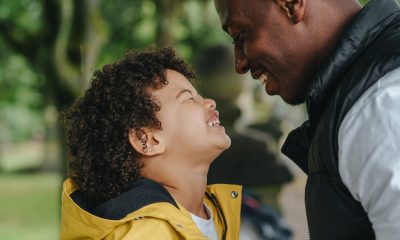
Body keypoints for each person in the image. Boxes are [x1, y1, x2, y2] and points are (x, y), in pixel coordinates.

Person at [213, 0, 400, 239]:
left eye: (241, 36)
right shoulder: (363, 97)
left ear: (290, 5)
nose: (239, 63)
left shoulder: (379, 105)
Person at [59, 47, 242, 240]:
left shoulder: (217, 213)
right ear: (146, 140)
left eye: (200, 96)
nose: (209, 102)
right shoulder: (143, 236)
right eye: (188, 98)